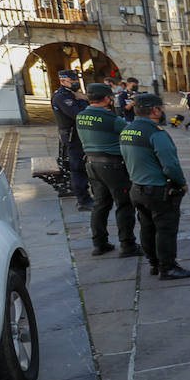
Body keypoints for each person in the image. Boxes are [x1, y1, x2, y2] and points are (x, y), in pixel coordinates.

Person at [119, 94, 190, 280]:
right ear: (154, 110)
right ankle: (167, 267)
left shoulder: (127, 130)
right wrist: (181, 183)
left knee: (147, 227)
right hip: (157, 189)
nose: (162, 112)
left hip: (137, 187)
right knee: (165, 229)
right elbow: (170, 165)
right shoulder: (156, 133)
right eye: (160, 108)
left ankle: (154, 263)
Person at [77, 83, 139, 258]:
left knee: (100, 204)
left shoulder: (80, 116)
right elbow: (130, 134)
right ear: (106, 98)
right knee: (124, 204)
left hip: (91, 164)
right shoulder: (110, 118)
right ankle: (127, 245)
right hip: (112, 166)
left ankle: (99, 244)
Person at [50, 69, 93, 211]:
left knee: (82, 166)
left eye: (76, 81)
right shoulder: (62, 97)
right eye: (72, 81)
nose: (75, 84)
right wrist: (83, 100)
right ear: (62, 81)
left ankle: (86, 195)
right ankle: (83, 200)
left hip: (79, 135)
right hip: (72, 136)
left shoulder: (72, 94)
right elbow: (80, 115)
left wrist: (81, 99)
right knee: (78, 168)